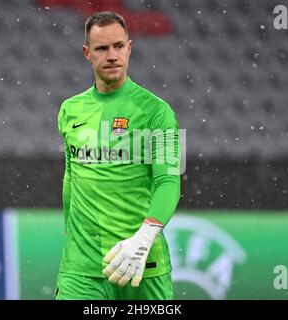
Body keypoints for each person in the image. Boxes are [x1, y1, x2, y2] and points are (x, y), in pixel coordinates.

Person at [54, 11, 180, 300]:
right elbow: (71, 174)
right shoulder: (69, 110)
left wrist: (145, 238)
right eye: (102, 48)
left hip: (142, 265)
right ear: (87, 53)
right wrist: (68, 232)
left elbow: (168, 182)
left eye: (118, 46)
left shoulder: (158, 112)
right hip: (81, 270)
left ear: (129, 48)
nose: (112, 55)